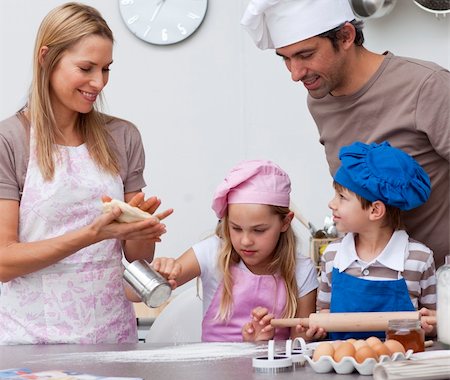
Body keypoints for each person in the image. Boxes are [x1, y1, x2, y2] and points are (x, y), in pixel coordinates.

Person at [0, 2, 172, 345]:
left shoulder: (122, 137)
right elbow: (4, 261)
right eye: (86, 67)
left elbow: (137, 257)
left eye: (106, 69)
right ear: (46, 58)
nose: (98, 82)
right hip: (31, 343)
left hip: (112, 338)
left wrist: (140, 229)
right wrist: (92, 233)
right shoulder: (10, 141)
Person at [241, 0, 450, 268]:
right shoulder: (319, 100)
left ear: (346, 36)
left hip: (440, 281)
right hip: (368, 282)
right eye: (286, 58)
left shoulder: (427, 86)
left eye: (305, 55)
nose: (295, 74)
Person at [151, 160, 318, 342]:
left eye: (259, 230)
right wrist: (158, 273)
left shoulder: (301, 269)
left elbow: (300, 349)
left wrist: (265, 346)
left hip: (275, 368)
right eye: (236, 228)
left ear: (285, 222)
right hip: (215, 369)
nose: (245, 241)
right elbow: (133, 293)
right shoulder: (212, 252)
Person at [302, 141, 437, 341]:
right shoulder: (333, 256)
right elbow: (324, 310)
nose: (332, 204)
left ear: (375, 210)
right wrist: (318, 329)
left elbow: (434, 322)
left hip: (399, 365)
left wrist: (430, 327)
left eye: (341, 197)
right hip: (340, 368)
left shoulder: (419, 259)